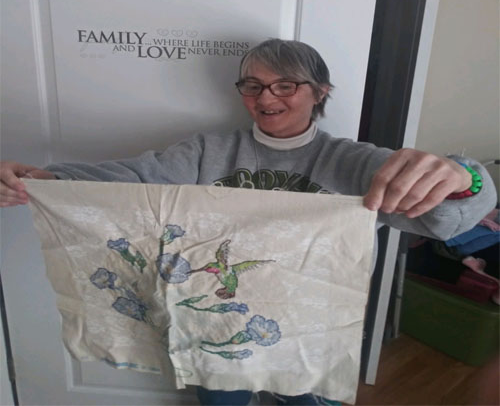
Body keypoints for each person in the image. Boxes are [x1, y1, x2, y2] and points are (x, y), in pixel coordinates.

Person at [0, 39, 496, 405]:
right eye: (252, 85)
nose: (265, 97)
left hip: (310, 333)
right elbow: (135, 181)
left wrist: (465, 177)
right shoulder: (207, 151)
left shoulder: (354, 162)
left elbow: (444, 220)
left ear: (320, 92)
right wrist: (48, 180)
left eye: (285, 85)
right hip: (219, 329)